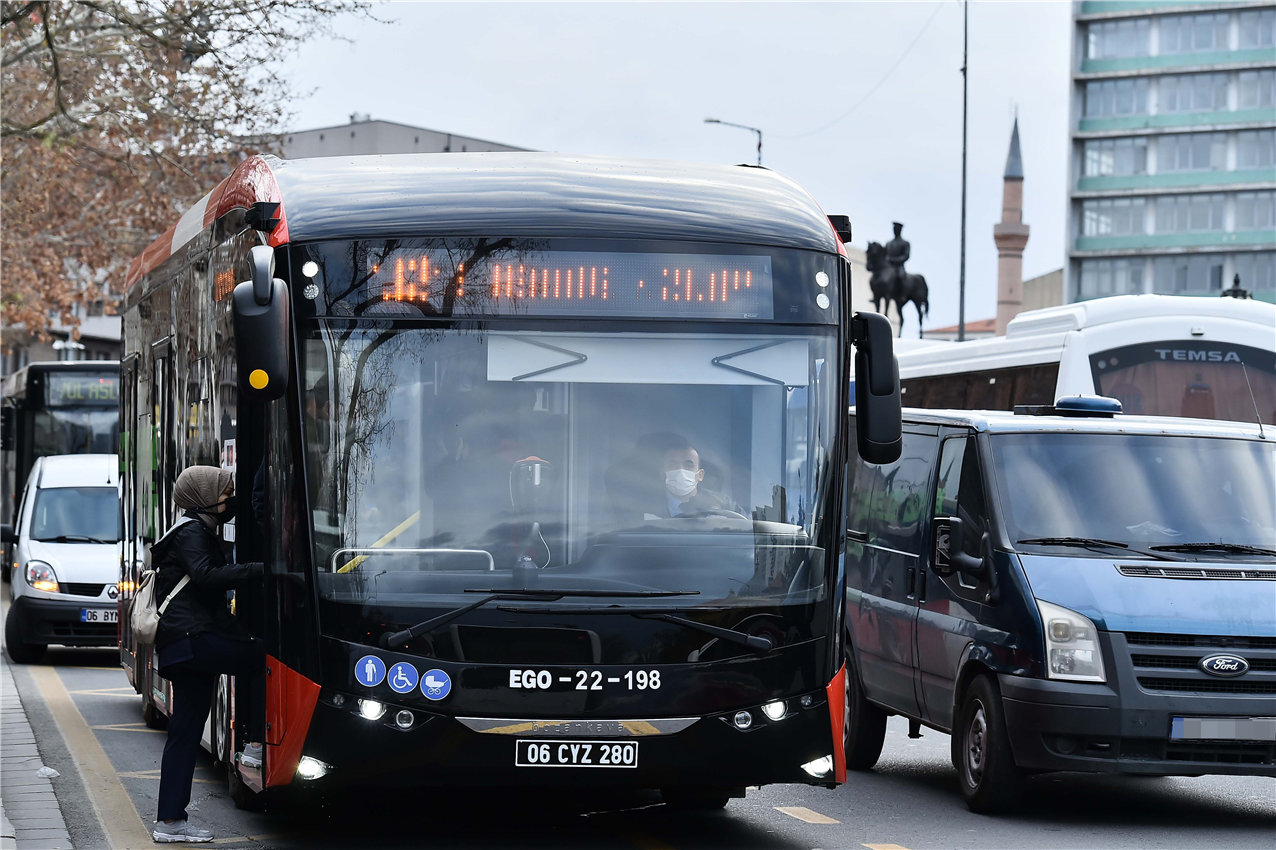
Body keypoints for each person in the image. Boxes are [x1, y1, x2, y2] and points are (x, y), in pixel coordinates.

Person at [151, 466, 264, 844]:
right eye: (225, 492)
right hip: (192, 641)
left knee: (183, 732)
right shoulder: (193, 533)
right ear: (204, 497)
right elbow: (205, 576)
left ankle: (169, 822)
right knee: (260, 659)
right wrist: (260, 571)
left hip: (183, 645)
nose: (230, 498)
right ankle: (257, 744)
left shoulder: (191, 531)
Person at [661, 439, 744, 517]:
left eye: (688, 465)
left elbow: (748, 527)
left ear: (700, 475)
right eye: (672, 465)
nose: (680, 470)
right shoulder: (649, 507)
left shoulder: (725, 505)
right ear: (663, 474)